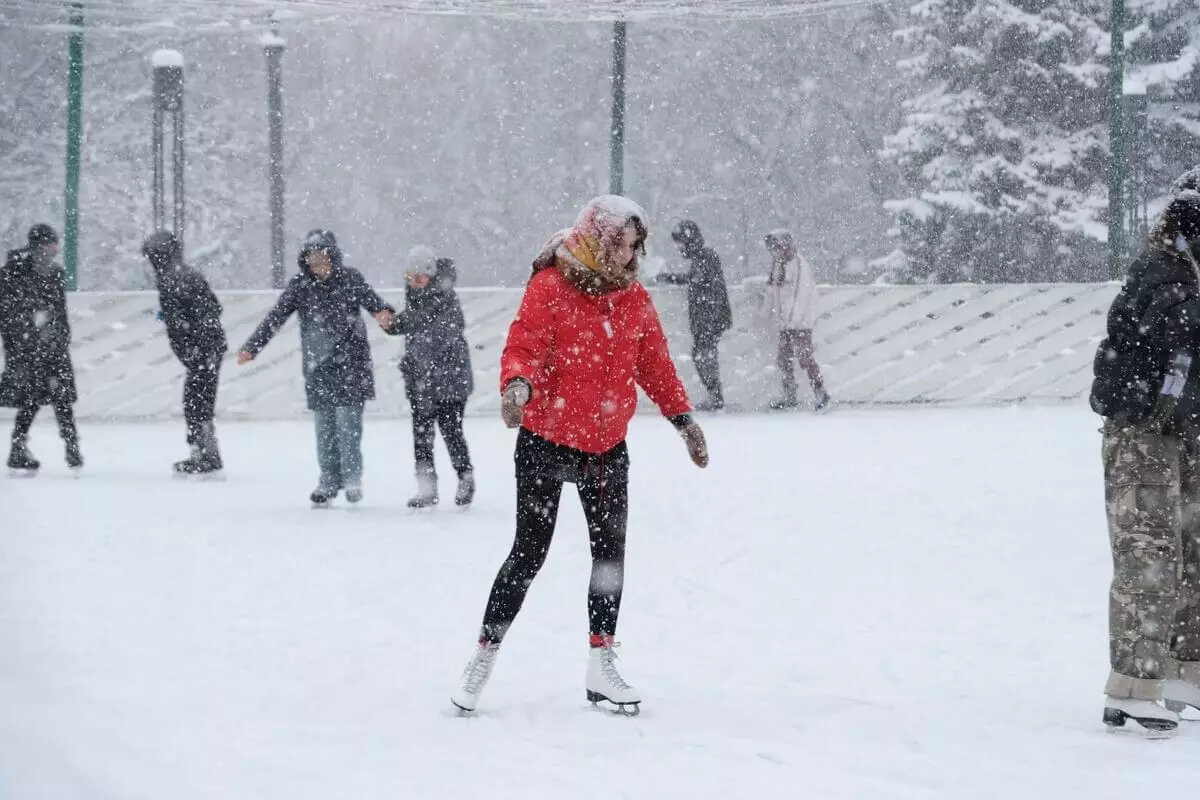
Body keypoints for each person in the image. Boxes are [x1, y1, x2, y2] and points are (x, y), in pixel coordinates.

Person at [449, 196, 710, 716]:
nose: (631, 258)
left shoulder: (633, 299)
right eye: (623, 246)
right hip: (545, 441)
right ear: (599, 239)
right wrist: (516, 384)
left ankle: (601, 662)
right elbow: (522, 344)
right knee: (528, 556)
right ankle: (484, 655)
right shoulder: (551, 287)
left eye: (636, 248)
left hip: (607, 450)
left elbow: (655, 364)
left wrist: (683, 420)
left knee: (609, 559)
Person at [1090, 187, 1200, 734]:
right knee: (1149, 561)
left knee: (1192, 558)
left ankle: (1185, 674)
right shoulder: (1163, 272)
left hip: (1185, 435)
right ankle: (1134, 684)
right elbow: (1175, 328)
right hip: (1143, 437)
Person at [237, 230, 395, 505]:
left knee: (348, 425)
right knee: (325, 428)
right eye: (311, 257)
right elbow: (276, 317)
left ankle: (352, 479)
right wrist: (253, 346)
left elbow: (375, 304)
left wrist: (386, 314)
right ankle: (328, 481)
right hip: (318, 366)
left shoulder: (350, 279)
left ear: (332, 257)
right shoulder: (300, 286)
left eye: (321, 256)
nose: (316, 263)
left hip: (352, 364)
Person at [383, 246, 475, 508]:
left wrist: (397, 323)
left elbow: (430, 328)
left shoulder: (445, 298)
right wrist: (392, 324)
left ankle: (465, 477)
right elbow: (412, 326)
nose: (415, 283)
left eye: (420, 278)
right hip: (421, 379)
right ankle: (426, 487)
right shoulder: (415, 300)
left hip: (450, 379)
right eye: (410, 278)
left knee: (451, 431)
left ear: (432, 275)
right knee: (421, 435)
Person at [141, 231, 228, 475]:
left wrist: (189, 345)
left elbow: (178, 322)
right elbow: (215, 306)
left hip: (199, 349)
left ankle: (203, 454)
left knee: (194, 402)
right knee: (202, 401)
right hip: (213, 346)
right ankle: (208, 451)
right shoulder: (190, 274)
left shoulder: (169, 280)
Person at [0, 224, 81, 473]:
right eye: (52, 243)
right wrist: (44, 333)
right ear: (42, 245)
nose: (56, 248)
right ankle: (70, 447)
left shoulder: (17, 272)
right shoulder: (21, 273)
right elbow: (14, 311)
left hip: (36, 346)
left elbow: (55, 310)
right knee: (51, 396)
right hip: (38, 346)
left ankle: (22, 446)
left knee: (38, 397)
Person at [657, 220, 732, 411]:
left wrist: (671, 278)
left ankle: (715, 396)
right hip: (707, 316)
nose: (680, 248)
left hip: (709, 317)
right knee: (703, 354)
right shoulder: (702, 257)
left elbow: (697, 280)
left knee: (703, 355)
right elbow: (697, 280)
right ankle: (714, 395)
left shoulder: (705, 256)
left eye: (681, 243)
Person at [762, 229, 830, 411]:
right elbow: (773, 291)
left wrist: (792, 321)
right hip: (785, 322)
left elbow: (802, 295)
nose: (776, 252)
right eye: (773, 249)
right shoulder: (777, 265)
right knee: (783, 358)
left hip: (801, 321)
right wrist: (768, 314)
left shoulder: (799, 264)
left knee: (804, 356)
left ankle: (821, 393)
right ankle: (789, 395)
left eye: (778, 248)